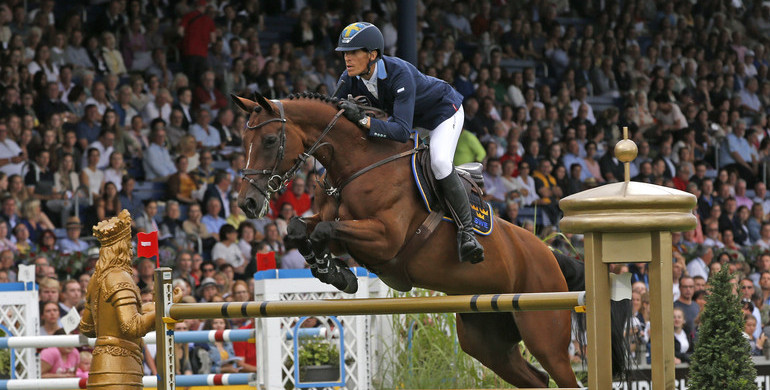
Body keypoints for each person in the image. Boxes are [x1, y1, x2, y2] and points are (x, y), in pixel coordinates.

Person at [332, 22, 482, 263]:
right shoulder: (349, 78)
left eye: (353, 52)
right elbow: (331, 114)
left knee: (441, 162)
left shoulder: (399, 73)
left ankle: (467, 232)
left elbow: (401, 132)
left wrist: (361, 119)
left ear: (372, 55)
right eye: (344, 54)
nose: (346, 59)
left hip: (442, 114)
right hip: (411, 119)